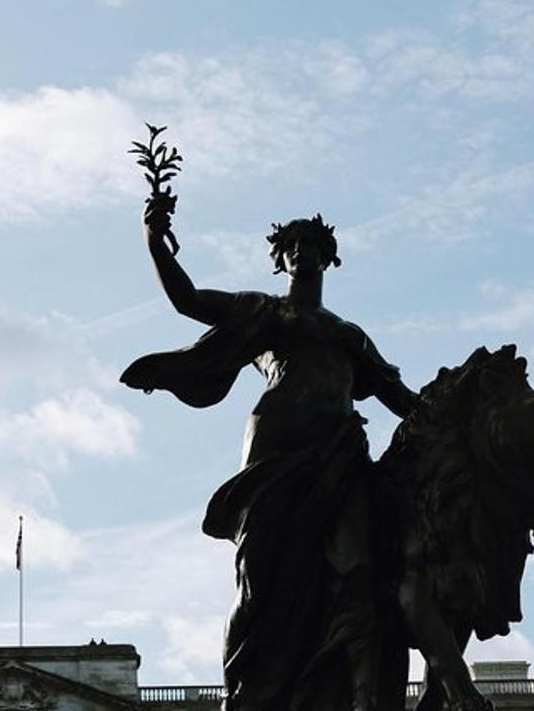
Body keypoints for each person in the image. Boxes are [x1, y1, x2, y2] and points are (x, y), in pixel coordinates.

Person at [122, 199, 418, 711]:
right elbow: (187, 300)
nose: (302, 252)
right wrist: (155, 239)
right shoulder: (262, 313)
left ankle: (356, 693)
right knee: (258, 578)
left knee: (357, 570)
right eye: (292, 246)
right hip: (274, 452)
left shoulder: (350, 336)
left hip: (339, 454)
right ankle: (244, 691)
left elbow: (404, 402)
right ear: (279, 261)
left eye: (312, 246)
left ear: (328, 259)